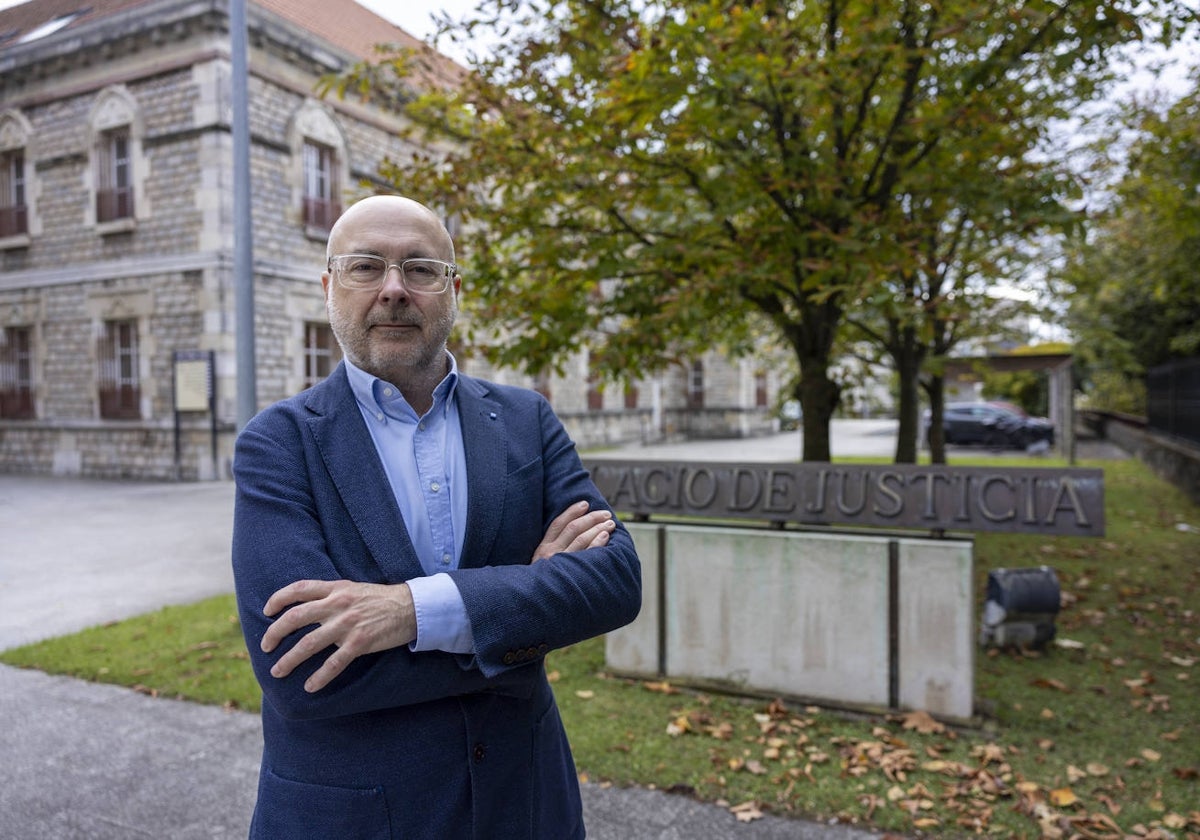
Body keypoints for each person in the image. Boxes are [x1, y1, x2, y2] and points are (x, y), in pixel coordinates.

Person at [231, 194, 642, 839]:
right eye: (366, 266)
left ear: (453, 289)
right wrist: (519, 608)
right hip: (354, 814)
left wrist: (408, 612)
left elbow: (615, 582)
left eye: (420, 269)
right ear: (329, 286)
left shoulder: (525, 421)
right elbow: (304, 667)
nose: (394, 289)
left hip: (525, 802)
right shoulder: (279, 442)